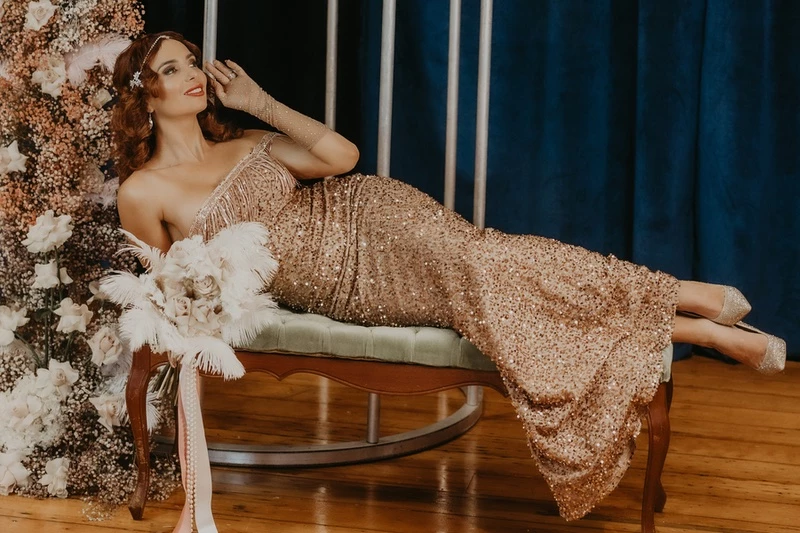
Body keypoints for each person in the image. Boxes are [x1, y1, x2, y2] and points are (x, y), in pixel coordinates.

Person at [111, 32, 785, 520]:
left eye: (192, 60)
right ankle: (687, 314)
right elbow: (161, 284)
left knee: (493, 260)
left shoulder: (244, 142)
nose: (193, 73)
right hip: (343, 280)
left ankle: (687, 309)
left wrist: (260, 101)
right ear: (145, 93)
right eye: (173, 68)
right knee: (499, 274)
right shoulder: (143, 190)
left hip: (372, 213)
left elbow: (342, 157)